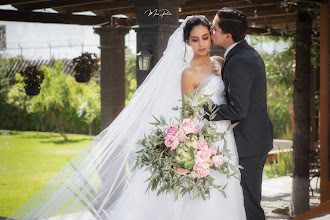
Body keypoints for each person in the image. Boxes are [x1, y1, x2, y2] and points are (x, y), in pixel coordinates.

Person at [7, 16, 245, 220]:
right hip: (203, 140)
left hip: (224, 137)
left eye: (205, 37)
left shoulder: (220, 63)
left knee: (225, 190)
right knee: (198, 194)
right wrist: (194, 146)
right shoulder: (188, 73)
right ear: (186, 42)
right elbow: (187, 114)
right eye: (195, 39)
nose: (202, 43)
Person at [203, 8, 274, 220]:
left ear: (228, 35)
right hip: (248, 140)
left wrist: (203, 112)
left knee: (249, 206)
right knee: (242, 204)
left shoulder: (240, 59)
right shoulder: (240, 54)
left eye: (214, 27)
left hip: (248, 145)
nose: (210, 29)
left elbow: (238, 109)